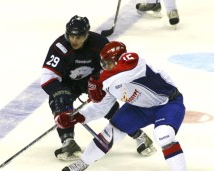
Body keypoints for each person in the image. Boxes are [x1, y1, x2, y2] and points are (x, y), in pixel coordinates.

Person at [56, 41, 187, 171]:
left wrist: (99, 81)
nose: (106, 67)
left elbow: (124, 72)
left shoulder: (136, 63)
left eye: (109, 63)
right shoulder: (107, 81)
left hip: (167, 104)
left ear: (120, 59)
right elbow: (101, 108)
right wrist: (77, 117)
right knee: (109, 133)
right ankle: (83, 163)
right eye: (104, 63)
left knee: (163, 135)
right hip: (138, 108)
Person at [40, 15, 156, 161]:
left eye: (79, 36)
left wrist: (101, 83)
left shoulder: (99, 43)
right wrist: (59, 97)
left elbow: (113, 68)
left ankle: (138, 135)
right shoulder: (60, 47)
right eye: (72, 36)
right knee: (60, 101)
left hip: (95, 80)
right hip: (67, 83)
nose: (75, 40)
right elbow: (47, 76)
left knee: (108, 105)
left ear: (86, 35)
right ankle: (68, 143)